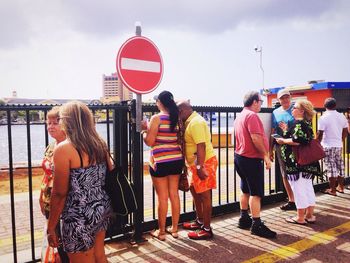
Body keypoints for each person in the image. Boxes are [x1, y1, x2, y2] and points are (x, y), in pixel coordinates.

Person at [47, 101, 113, 263]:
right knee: (99, 256)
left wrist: (51, 227)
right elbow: (110, 170)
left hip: (78, 216)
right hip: (101, 208)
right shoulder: (99, 143)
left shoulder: (64, 149)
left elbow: (60, 193)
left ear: (68, 120)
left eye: (61, 118)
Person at [141, 91, 184, 241]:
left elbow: (150, 141)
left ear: (160, 102)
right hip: (176, 159)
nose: (155, 103)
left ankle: (161, 232)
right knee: (174, 195)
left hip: (160, 160)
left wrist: (144, 130)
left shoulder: (156, 118)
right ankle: (175, 229)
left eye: (156, 101)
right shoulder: (176, 117)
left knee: (162, 198)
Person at [234, 91, 276, 239]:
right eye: (261, 101)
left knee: (245, 189)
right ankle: (256, 224)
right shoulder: (252, 116)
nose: (261, 104)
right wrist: (266, 156)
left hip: (240, 157)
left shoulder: (240, 115)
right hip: (251, 159)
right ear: (254, 102)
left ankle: (244, 218)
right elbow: (256, 138)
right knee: (256, 193)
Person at [177, 100, 218, 240]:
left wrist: (200, 167)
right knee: (196, 193)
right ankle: (200, 220)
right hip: (194, 164)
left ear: (182, 111)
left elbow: (201, 146)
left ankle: (207, 229)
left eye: (178, 113)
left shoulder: (196, 123)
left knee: (205, 196)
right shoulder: (190, 121)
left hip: (204, 163)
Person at [276, 99, 320, 225]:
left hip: (297, 163)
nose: (292, 109)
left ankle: (300, 217)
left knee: (299, 189)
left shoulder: (298, 124)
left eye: (294, 107)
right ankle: (310, 215)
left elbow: (298, 140)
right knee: (307, 188)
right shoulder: (306, 123)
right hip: (306, 162)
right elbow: (299, 137)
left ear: (301, 111)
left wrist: (283, 141)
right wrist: (286, 131)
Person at [39, 106, 69, 263]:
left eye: (55, 123)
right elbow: (46, 175)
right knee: (54, 243)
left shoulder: (69, 147)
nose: (50, 126)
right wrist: (41, 197)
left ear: (64, 124)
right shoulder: (50, 147)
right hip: (49, 200)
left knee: (63, 244)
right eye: (48, 123)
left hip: (63, 204)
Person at [269, 89, 296, 211]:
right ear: (278, 100)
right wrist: (270, 150)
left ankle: (301, 200)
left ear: (290, 97)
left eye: (287, 97)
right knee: (285, 174)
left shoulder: (296, 109)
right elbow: (273, 131)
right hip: (281, 146)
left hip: (296, 145)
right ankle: (292, 200)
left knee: (298, 173)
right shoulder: (275, 112)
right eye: (282, 98)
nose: (285, 100)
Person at [316, 98, 348, 195]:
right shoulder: (341, 116)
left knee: (331, 168)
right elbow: (345, 131)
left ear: (325, 106)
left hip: (327, 145)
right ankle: (341, 187)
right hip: (338, 145)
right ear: (335, 106)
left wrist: (317, 144)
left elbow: (320, 133)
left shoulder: (323, 117)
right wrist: (340, 139)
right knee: (340, 166)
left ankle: (333, 190)